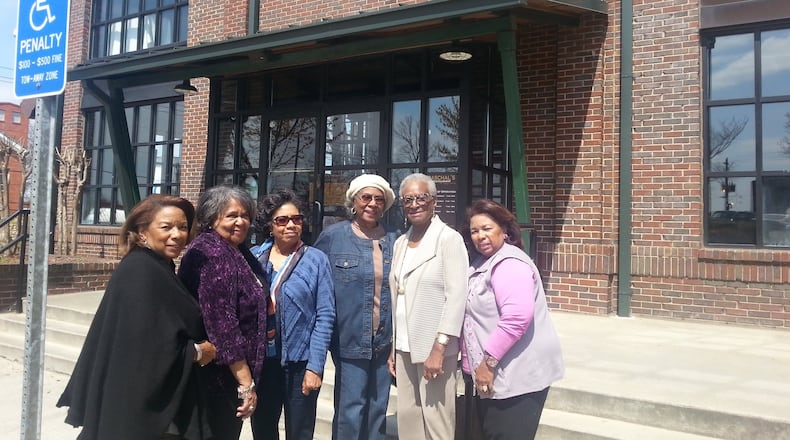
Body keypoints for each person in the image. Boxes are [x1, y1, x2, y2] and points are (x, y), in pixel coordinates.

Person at [57, 194, 217, 440]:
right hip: (138, 412)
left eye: (183, 227)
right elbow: (146, 348)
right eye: (166, 227)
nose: (177, 234)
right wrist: (196, 352)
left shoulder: (158, 266)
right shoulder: (141, 271)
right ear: (142, 231)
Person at [461, 199, 564, 440]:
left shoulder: (509, 264)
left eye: (487, 228)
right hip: (497, 375)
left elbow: (516, 318)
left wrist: (487, 364)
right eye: (475, 231)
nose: (480, 236)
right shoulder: (483, 262)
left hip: (517, 378)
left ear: (504, 231)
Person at [313, 174, 398, 440]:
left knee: (377, 408)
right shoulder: (333, 237)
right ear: (354, 201)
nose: (372, 204)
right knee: (351, 409)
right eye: (366, 197)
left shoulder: (396, 240)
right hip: (349, 339)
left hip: (384, 340)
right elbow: (315, 281)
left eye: (379, 199)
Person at [178, 185, 267, 439]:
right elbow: (222, 324)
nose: (241, 221)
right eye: (232, 215)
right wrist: (245, 383)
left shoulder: (236, 250)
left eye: (245, 215)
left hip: (227, 375)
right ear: (212, 217)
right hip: (219, 377)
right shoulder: (214, 253)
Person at [387, 173, 469, 440]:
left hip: (434, 348)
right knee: (409, 419)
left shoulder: (449, 239)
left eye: (421, 197)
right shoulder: (400, 243)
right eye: (408, 199)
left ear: (433, 201)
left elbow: (457, 296)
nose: (414, 204)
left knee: (437, 421)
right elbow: (397, 297)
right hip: (403, 347)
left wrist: (440, 346)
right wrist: (393, 347)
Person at [251, 189, 335, 440]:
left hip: (300, 362)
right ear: (270, 225)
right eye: (282, 220)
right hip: (263, 361)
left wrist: (315, 367)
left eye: (296, 219)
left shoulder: (316, 260)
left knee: (299, 431)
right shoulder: (255, 257)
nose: (290, 225)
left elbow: (325, 315)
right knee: (263, 428)